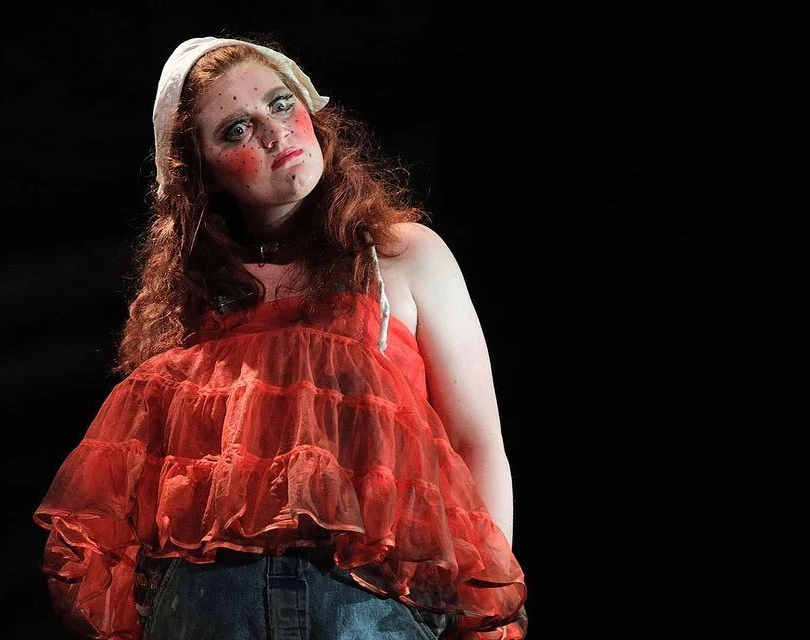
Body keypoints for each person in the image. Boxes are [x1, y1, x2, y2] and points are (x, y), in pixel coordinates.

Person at [33, 35, 528, 640]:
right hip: (209, 608)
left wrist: (483, 618)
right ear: (204, 174)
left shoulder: (400, 256)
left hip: (369, 603)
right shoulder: (190, 308)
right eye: (236, 129)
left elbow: (477, 445)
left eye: (280, 103)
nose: (274, 133)